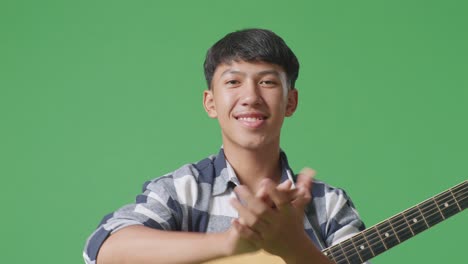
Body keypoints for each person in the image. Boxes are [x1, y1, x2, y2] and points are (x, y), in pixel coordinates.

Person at [83, 28, 366, 264]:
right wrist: (229, 243)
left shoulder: (329, 205)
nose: (250, 96)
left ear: (290, 101)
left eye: (267, 82)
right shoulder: (183, 191)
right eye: (233, 81)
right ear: (211, 102)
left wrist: (294, 247)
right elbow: (104, 248)